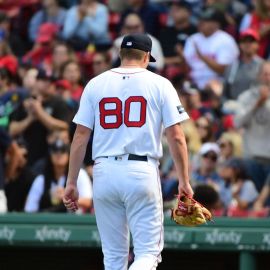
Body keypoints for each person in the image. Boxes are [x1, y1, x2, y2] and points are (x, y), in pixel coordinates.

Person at [63, 33, 193, 270]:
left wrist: (71, 180)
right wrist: (184, 180)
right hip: (140, 169)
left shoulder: (95, 83)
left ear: (120, 55)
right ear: (146, 57)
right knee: (147, 254)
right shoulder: (160, 83)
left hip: (103, 171)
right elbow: (176, 136)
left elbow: (80, 136)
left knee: (113, 257)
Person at [183, 7, 239, 90]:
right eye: (201, 20)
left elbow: (222, 70)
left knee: (214, 87)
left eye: (206, 21)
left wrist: (201, 56)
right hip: (193, 82)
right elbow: (187, 66)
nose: (201, 23)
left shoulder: (226, 40)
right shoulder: (192, 39)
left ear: (216, 24)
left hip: (217, 82)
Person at [223, 28, 263, 100]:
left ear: (257, 45)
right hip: (233, 105)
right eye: (244, 41)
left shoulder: (263, 66)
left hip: (256, 105)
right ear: (240, 45)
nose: (248, 44)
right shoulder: (232, 66)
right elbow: (225, 90)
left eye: (251, 41)